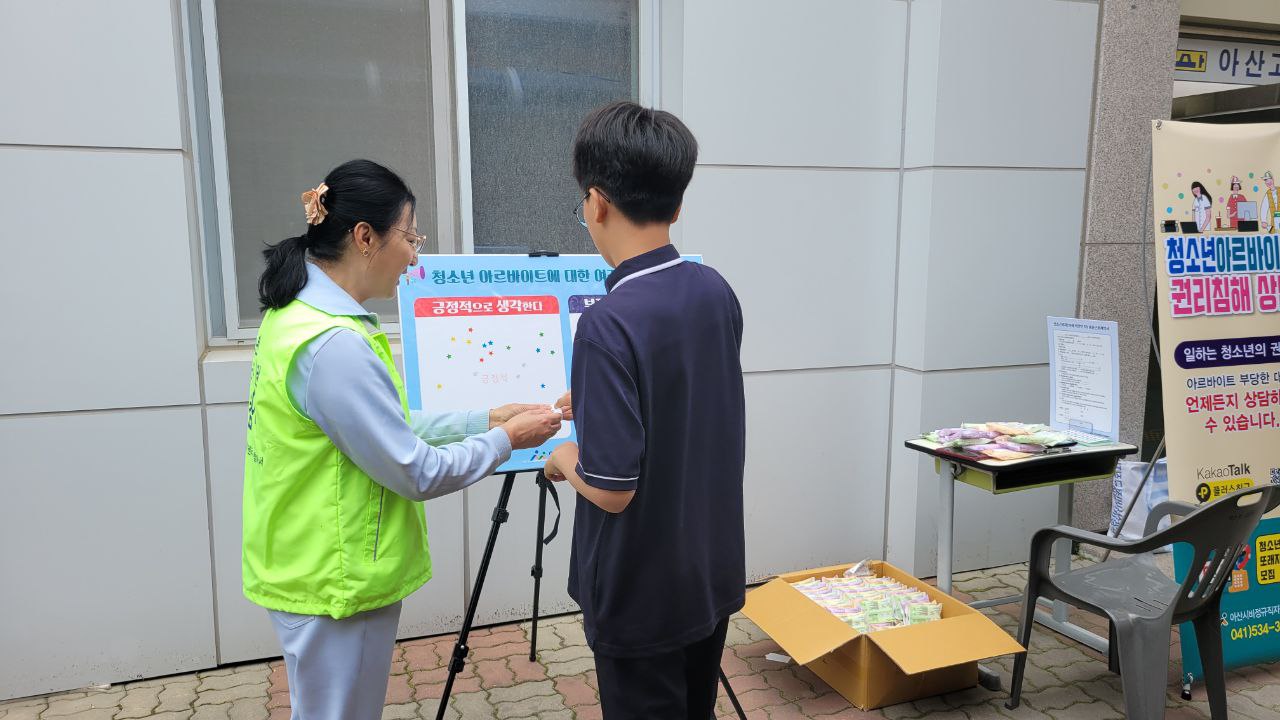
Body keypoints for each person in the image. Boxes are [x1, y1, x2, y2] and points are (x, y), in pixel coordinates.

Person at [243, 159, 562, 720]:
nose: (415, 256)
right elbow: (414, 470)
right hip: (333, 576)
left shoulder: (302, 317)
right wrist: (507, 440)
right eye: (410, 236)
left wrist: (484, 418)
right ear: (365, 237)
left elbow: (386, 428)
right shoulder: (332, 343)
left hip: (313, 559)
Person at [543, 102, 747, 719]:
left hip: (639, 590)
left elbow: (611, 488)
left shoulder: (607, 324)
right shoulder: (714, 291)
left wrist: (563, 457)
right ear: (677, 205)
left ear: (596, 203)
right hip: (706, 570)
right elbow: (691, 399)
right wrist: (604, 403)